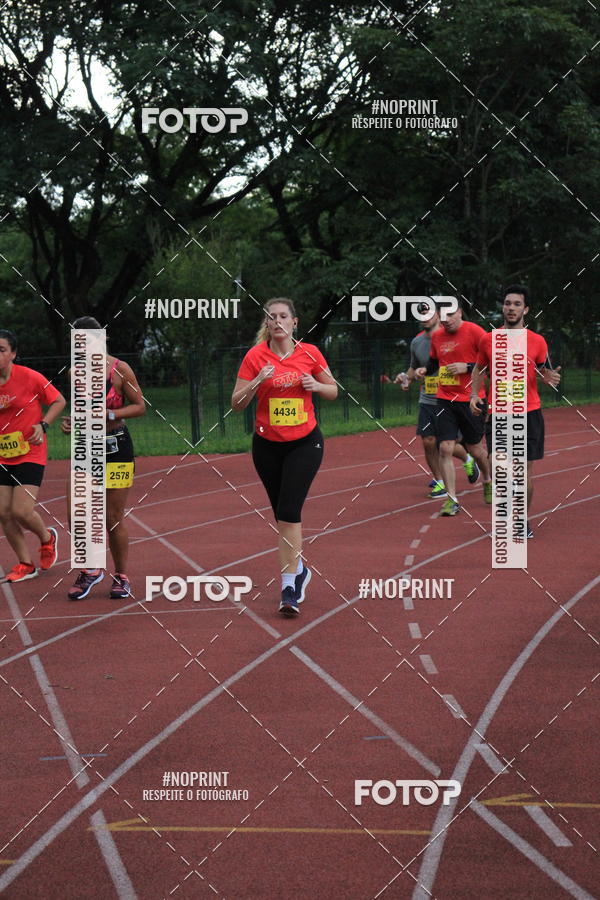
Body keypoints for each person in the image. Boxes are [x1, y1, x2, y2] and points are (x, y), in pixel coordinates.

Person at [232, 298, 337, 616]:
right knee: (281, 515)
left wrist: (316, 385)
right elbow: (236, 403)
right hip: (267, 446)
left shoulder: (310, 353)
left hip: (305, 443)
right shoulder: (255, 356)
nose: (277, 321)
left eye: (282, 316)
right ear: (266, 323)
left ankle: (288, 586)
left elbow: (333, 391)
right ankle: (299, 568)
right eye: (271, 317)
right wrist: (256, 381)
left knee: (290, 512)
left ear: (294, 322)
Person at [61, 317, 145, 600]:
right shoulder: (74, 373)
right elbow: (80, 411)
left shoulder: (120, 370)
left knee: (112, 517)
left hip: (116, 446)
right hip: (86, 447)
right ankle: (91, 570)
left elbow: (139, 406)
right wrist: (71, 422)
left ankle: (121, 576)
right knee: (76, 515)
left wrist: (109, 414)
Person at [470, 285, 561, 538]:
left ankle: (521, 520)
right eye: (508, 303)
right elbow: (479, 369)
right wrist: (474, 395)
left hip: (528, 412)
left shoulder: (537, 341)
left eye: (517, 304)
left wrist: (548, 378)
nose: (511, 308)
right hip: (498, 413)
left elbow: (546, 370)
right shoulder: (488, 339)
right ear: (503, 307)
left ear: (526, 309)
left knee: (522, 471)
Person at [394, 302, 480, 498]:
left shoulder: (450, 337)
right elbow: (414, 367)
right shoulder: (417, 342)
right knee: (428, 441)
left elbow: (476, 362)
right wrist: (406, 377)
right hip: (427, 399)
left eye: (428, 313)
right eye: (421, 314)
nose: (424, 317)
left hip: (451, 398)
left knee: (448, 443)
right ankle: (440, 482)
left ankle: (467, 459)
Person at [0, 329, 66, 582]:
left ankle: (47, 539)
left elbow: (58, 400)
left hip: (30, 450)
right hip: (3, 454)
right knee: (3, 513)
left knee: (21, 511)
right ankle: (25, 564)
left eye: (2, 350)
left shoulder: (29, 377)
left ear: (13, 354)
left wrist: (44, 424)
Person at [415, 303, 491, 516]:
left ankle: (487, 479)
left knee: (475, 449)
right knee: (445, 447)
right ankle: (452, 499)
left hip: (472, 398)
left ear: (459, 312)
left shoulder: (476, 332)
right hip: (444, 399)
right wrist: (424, 370)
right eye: (443, 316)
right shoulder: (437, 337)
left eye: (450, 315)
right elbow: (434, 363)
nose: (446, 319)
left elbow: (492, 363)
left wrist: (466, 367)